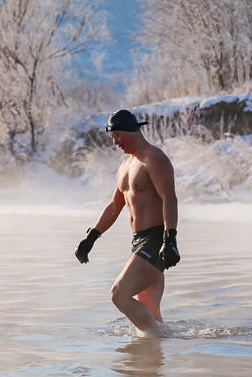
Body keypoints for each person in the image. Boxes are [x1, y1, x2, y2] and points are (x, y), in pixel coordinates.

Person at [75, 109, 180, 335]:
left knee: (119, 295)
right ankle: (152, 361)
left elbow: (169, 198)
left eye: (118, 136)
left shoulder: (155, 159)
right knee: (151, 313)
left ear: (132, 131)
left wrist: (170, 240)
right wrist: (91, 237)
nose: (116, 142)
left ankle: (158, 340)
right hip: (139, 241)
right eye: (112, 138)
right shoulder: (125, 167)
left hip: (155, 241)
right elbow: (115, 206)